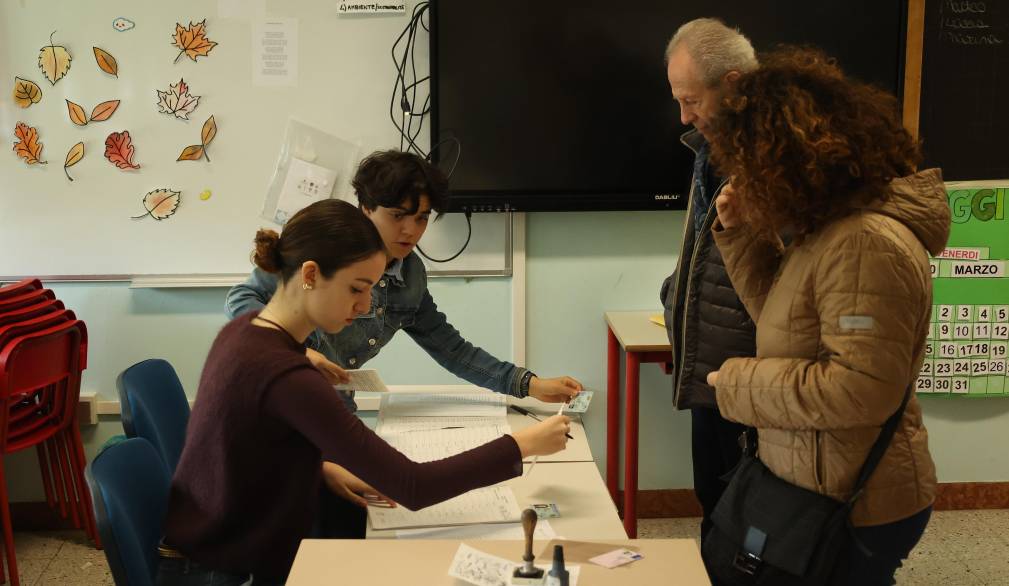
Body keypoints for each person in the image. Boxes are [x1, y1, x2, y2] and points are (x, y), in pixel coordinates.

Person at [157, 199, 571, 585]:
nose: (365, 306)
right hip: (221, 571)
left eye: (371, 288)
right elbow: (411, 485)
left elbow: (246, 447)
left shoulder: (243, 333)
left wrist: (318, 467)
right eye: (356, 288)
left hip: (212, 545)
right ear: (310, 275)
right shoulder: (291, 376)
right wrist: (520, 445)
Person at [705, 47, 946, 584]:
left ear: (787, 161)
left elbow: (860, 389)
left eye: (750, 167)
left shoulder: (864, 242)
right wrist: (744, 234)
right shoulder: (831, 229)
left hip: (858, 497)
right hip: (825, 477)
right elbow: (786, 327)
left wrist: (737, 384)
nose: (743, 181)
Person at [227, 150, 582, 410]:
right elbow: (241, 299)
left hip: (334, 408)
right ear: (366, 207)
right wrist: (299, 354)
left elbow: (452, 349)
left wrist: (528, 384)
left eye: (422, 218)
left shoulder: (410, 275)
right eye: (398, 216)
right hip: (279, 403)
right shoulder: (326, 243)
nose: (411, 230)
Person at [658, 17, 758, 555]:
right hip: (713, 367)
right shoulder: (709, 151)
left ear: (736, 85)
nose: (683, 115)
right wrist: (676, 293)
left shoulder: (775, 160)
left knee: (747, 519)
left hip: (751, 377)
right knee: (714, 505)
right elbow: (708, 247)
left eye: (692, 99)